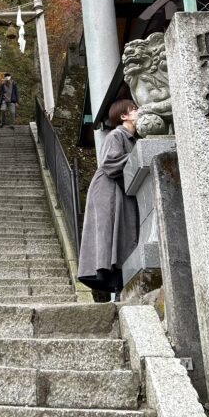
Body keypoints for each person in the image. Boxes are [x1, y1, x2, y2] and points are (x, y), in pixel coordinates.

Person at [77, 99, 139, 295]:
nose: (139, 112)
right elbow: (110, 163)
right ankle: (113, 280)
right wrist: (139, 155)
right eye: (134, 109)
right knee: (109, 231)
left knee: (121, 231)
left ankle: (119, 281)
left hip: (118, 188)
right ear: (124, 116)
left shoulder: (133, 139)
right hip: (107, 188)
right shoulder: (115, 135)